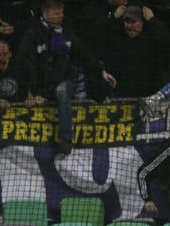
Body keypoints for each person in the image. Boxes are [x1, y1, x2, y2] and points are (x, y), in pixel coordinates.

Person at [17, 0, 117, 155]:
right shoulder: (33, 33)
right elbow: (25, 64)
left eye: (62, 12)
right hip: (40, 84)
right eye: (57, 13)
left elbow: (83, 52)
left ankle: (66, 139)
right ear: (45, 13)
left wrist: (101, 70)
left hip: (63, 81)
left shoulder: (66, 32)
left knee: (62, 90)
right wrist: (33, 92)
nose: (61, 16)